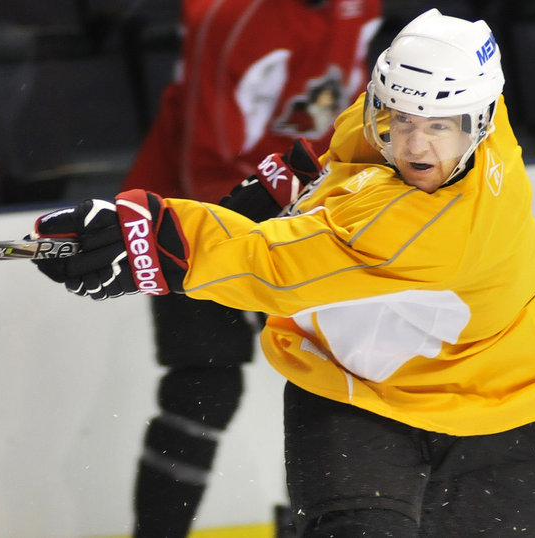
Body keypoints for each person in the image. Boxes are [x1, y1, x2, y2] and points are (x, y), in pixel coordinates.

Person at [30, 8, 535, 537]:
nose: (415, 146)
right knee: (204, 384)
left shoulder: (434, 227)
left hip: (498, 414)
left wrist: (147, 235)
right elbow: (346, 151)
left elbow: (271, 265)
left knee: (205, 380)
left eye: (439, 127)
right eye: (399, 119)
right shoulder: (435, 109)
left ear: (482, 120)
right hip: (359, 405)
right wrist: (291, 183)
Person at [117, 1, 381, 536]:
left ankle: (318, 525)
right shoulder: (233, 16)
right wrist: (288, 239)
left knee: (340, 383)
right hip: (195, 213)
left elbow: (355, 118)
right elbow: (206, 165)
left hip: (304, 211)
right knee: (203, 389)